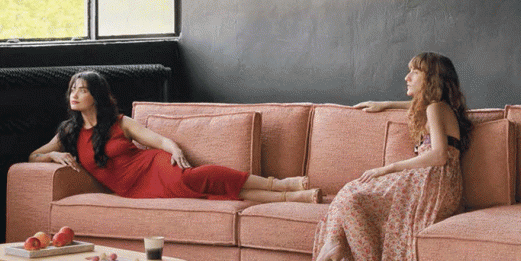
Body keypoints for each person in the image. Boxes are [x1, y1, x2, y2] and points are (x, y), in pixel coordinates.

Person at [300, 52, 472, 261]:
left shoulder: (436, 108)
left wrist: (388, 168)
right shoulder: (436, 107)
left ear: (431, 79)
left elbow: (439, 155)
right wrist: (386, 104)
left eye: (415, 72)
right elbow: (416, 106)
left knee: (351, 194)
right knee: (353, 200)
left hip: (432, 183)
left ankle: (335, 248)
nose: (407, 77)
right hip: (429, 181)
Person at [29, 70, 320, 203]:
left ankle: (281, 185)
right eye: (73, 90)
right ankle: (293, 196)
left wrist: (175, 149)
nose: (74, 95)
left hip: (155, 166)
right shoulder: (68, 132)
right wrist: (54, 154)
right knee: (214, 193)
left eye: (82, 90)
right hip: (134, 189)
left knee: (197, 179)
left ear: (96, 95)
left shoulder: (120, 122)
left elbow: (157, 141)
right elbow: (33, 156)